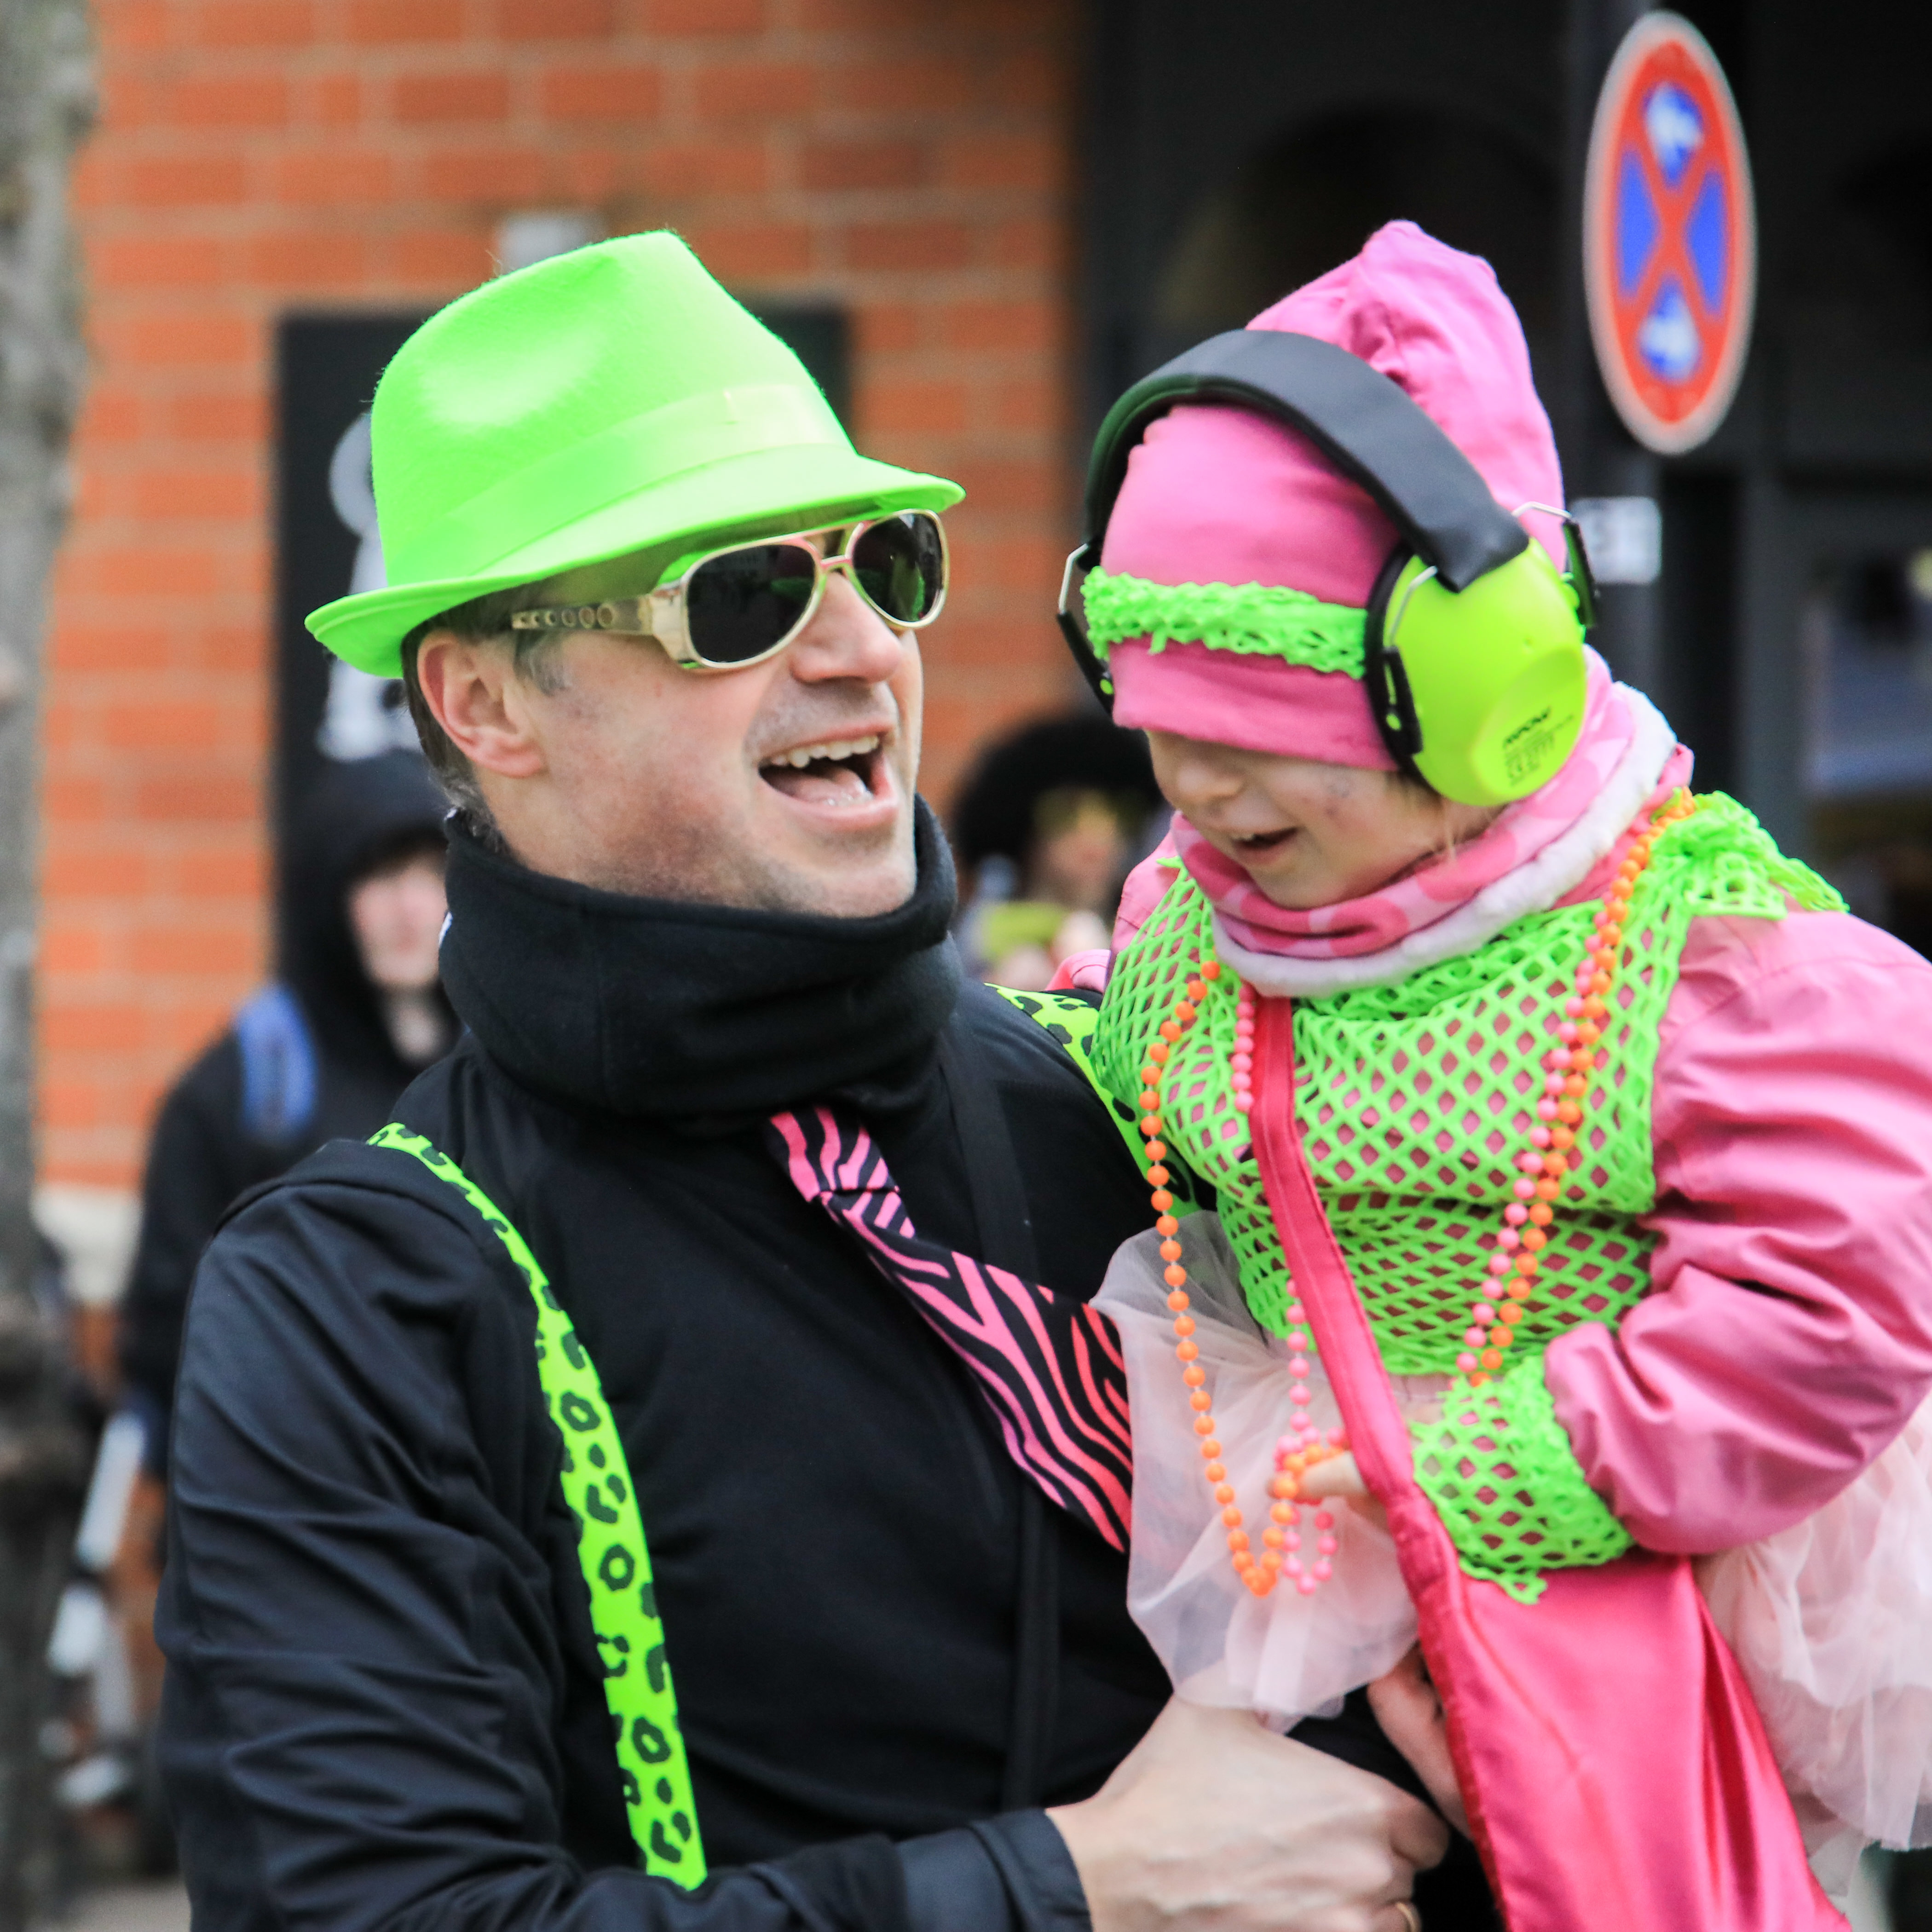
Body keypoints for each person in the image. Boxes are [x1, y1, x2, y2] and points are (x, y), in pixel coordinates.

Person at [156, 232, 1449, 1932]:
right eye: (741, 595)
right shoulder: (357, 1296)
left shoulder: (1150, 1098)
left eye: (884, 563)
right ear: (484, 703)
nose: (860, 647)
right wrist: (1079, 1887)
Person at [1056, 222, 1932, 1925]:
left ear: (1479, 691)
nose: (1200, 790)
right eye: (1160, 726)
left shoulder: (1700, 957)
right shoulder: (1195, 906)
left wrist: (1526, 1453)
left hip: (1630, 1545)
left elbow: (1832, 1299)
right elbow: (1142, 1073)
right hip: (1308, 1504)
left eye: (1261, 738)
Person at [117, 748, 454, 1466]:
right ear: (325, 894)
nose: (410, 907)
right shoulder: (246, 1087)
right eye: (380, 874)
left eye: (432, 872)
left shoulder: (495, 1070)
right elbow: (168, 1330)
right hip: (291, 1481)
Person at [952, 716, 1164, 988]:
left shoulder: (1154, 939)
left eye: (1120, 815)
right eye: (1066, 814)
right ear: (1025, 827)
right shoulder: (980, 938)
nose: (1097, 841)